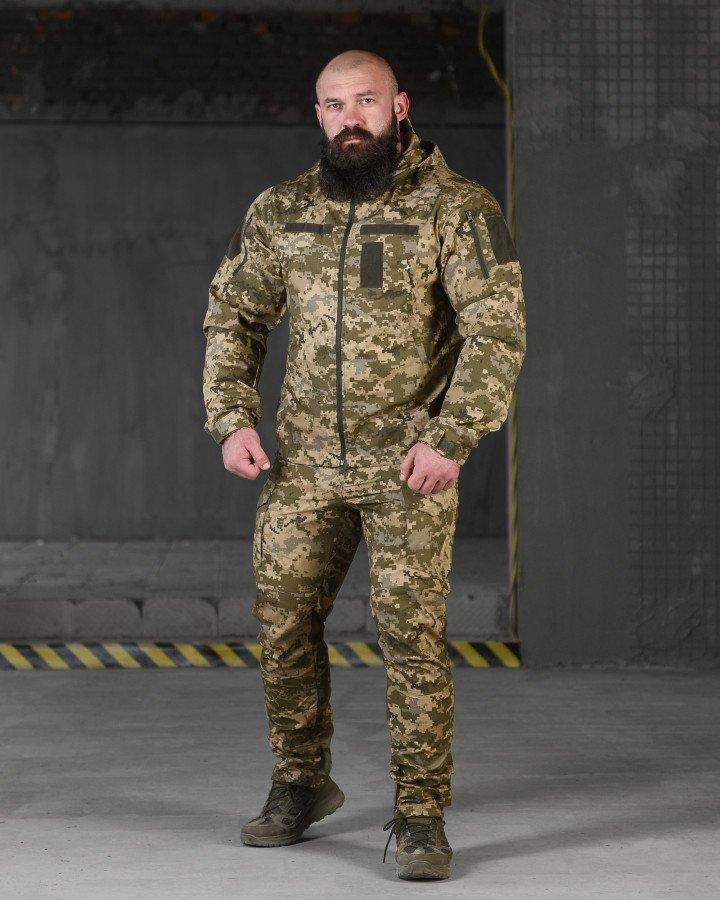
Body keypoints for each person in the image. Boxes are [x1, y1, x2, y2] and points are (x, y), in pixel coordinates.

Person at [202, 49, 526, 881]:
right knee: (282, 626)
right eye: (334, 104)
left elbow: (497, 332)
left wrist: (451, 439)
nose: (351, 118)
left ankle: (420, 814)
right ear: (317, 115)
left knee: (411, 638)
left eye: (367, 101)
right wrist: (232, 418)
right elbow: (234, 315)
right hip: (304, 466)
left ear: (400, 106)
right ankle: (301, 782)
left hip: (408, 465)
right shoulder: (283, 210)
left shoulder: (456, 207)